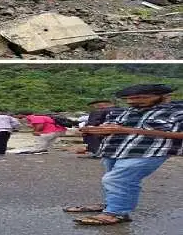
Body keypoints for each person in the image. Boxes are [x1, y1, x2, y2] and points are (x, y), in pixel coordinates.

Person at [64, 84, 182, 226]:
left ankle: (115, 213)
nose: (132, 101)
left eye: (141, 98)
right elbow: (112, 127)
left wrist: (127, 129)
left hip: (149, 151)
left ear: (164, 97)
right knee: (120, 181)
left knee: (116, 180)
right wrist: (95, 130)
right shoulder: (125, 111)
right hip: (115, 149)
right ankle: (111, 206)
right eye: (129, 99)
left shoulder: (177, 112)